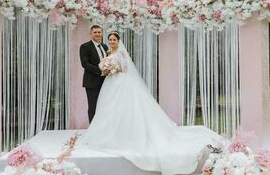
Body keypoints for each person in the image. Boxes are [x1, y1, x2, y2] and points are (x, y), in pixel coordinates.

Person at [81, 31, 221, 175]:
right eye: (110, 39)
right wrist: (106, 68)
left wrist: (113, 68)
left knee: (123, 108)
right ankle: (109, 132)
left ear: (118, 41)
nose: (111, 41)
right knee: (109, 109)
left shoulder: (121, 53)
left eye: (114, 39)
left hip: (120, 83)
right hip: (110, 83)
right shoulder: (108, 51)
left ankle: (125, 133)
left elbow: (125, 68)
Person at [79, 25, 109, 123]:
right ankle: (92, 130)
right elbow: (85, 64)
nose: (97, 34)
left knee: (104, 105)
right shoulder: (85, 46)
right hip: (92, 82)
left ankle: (102, 128)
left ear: (102, 33)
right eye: (95, 32)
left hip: (106, 82)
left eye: (99, 32)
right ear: (91, 34)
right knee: (93, 106)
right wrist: (100, 71)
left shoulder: (105, 47)